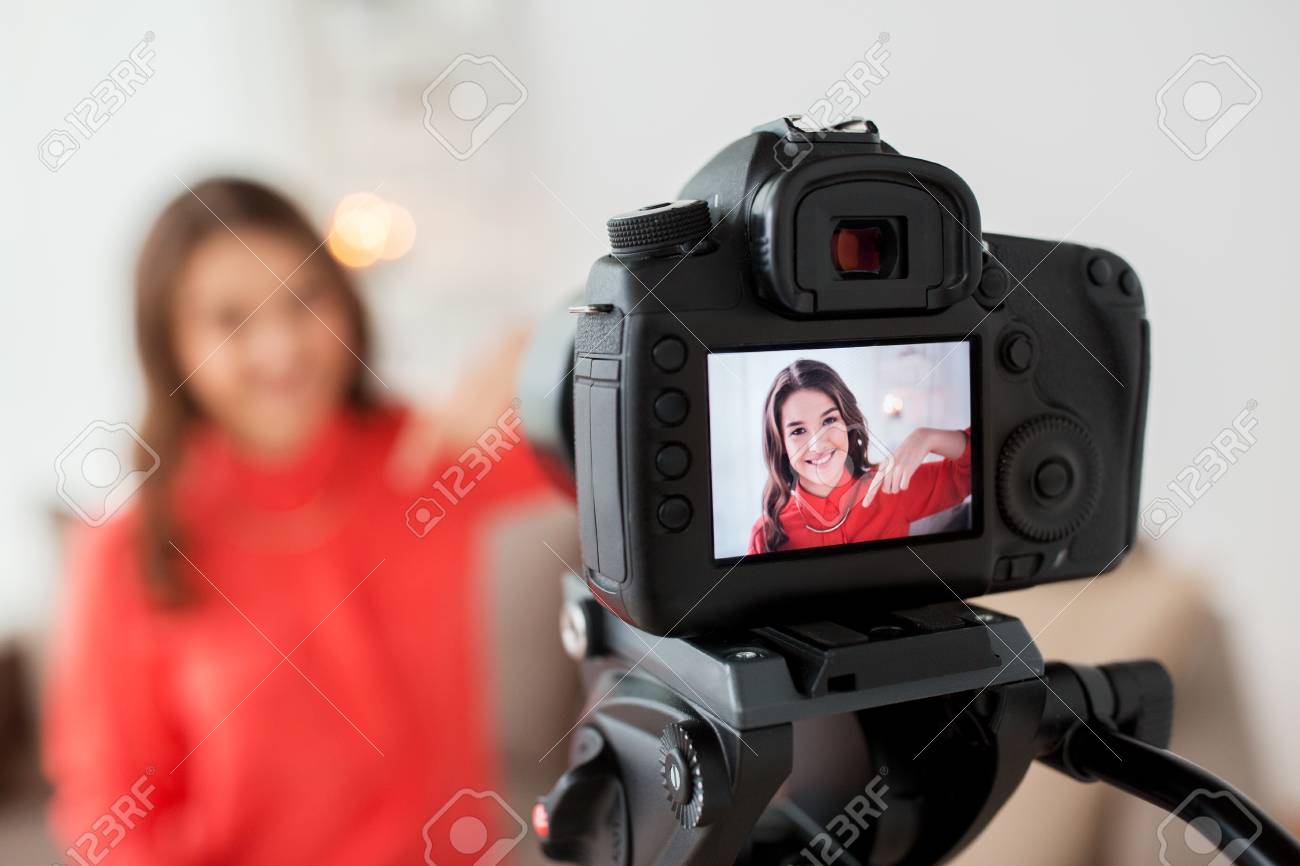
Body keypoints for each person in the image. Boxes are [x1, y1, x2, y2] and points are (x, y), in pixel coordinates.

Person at [42, 178, 564, 865]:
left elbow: (619, 447)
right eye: (231, 320)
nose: (281, 349)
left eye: (303, 300)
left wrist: (554, 344)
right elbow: (108, 816)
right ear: (170, 348)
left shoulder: (427, 460)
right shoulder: (128, 547)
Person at [748, 359, 970, 555]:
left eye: (829, 421)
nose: (817, 445)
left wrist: (927, 437)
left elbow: (987, 464)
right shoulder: (765, 536)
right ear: (781, 444)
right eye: (798, 431)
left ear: (847, 423)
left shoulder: (889, 486)